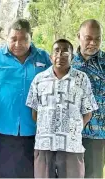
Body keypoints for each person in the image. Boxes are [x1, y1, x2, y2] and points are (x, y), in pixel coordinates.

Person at [0, 18, 51, 178]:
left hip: (33, 132)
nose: (18, 44)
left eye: (23, 39)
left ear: (31, 37)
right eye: (13, 39)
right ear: (7, 38)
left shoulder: (44, 59)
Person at [26, 39, 98, 178]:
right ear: (51, 56)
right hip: (44, 145)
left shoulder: (81, 79)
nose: (60, 55)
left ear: (72, 56)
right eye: (56, 51)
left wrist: (73, 129)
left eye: (65, 51)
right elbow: (34, 112)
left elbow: (87, 112)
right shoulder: (39, 79)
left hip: (72, 146)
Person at [72, 19, 105, 178]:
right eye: (88, 38)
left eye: (97, 38)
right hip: (69, 135)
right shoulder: (66, 62)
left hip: (97, 136)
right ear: (79, 36)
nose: (93, 43)